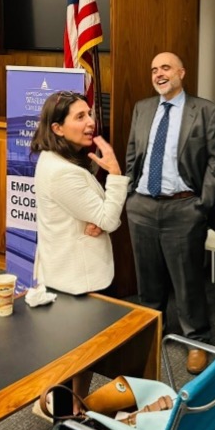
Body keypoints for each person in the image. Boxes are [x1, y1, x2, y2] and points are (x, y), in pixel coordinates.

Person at [125, 52, 215, 375]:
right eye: (154, 69)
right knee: (148, 280)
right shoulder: (142, 108)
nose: (159, 74)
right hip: (142, 205)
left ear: (182, 72)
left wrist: (203, 205)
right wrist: (130, 195)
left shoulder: (205, 110)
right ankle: (151, 331)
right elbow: (132, 153)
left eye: (165, 67)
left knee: (187, 280)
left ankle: (197, 340)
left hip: (184, 207)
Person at [31, 90, 129, 402]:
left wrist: (97, 216)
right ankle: (66, 411)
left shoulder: (59, 158)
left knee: (77, 351)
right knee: (78, 352)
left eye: (89, 114)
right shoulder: (62, 172)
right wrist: (114, 173)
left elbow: (95, 213)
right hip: (78, 278)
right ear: (57, 128)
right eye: (80, 116)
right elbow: (109, 218)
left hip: (68, 269)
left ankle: (72, 406)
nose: (91, 122)